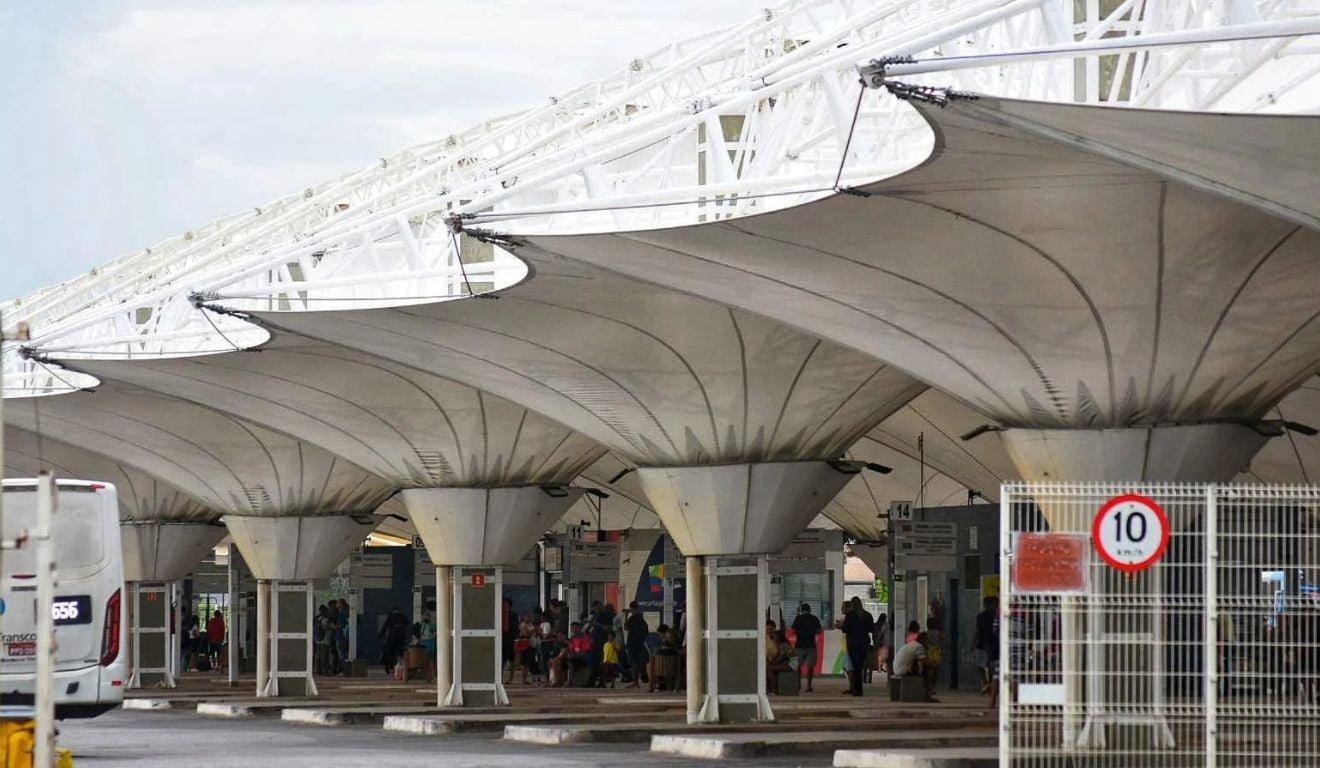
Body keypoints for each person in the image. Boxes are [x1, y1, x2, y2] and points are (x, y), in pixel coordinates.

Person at [841, 596, 874, 696]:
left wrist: (841, 626)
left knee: (856, 667)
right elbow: (871, 629)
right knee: (860, 666)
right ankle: (858, 689)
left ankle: (857, 689)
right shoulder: (868, 615)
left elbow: (845, 629)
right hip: (864, 643)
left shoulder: (850, 615)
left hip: (853, 643)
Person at [790, 603, 822, 692]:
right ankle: (809, 685)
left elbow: (793, 630)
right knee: (810, 666)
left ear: (801, 610)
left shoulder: (798, 618)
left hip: (799, 645)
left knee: (798, 666)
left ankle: (798, 684)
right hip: (811, 645)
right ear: (809, 610)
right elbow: (819, 631)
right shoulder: (814, 618)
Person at [973, 597, 999, 695]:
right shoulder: (996, 616)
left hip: (982, 643)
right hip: (993, 644)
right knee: (991, 666)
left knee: (980, 666)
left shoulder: (980, 616)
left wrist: (973, 643)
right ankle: (990, 685)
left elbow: (977, 631)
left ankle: (986, 683)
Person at [625, 601, 650, 689]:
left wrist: (626, 616)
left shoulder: (632, 618)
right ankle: (642, 672)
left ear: (632, 609)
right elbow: (646, 631)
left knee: (633, 663)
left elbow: (626, 627)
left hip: (632, 643)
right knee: (638, 661)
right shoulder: (641, 619)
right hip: (639, 643)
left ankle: (635, 681)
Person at [379, 607, 410, 674]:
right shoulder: (403, 617)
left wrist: (381, 636)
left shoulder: (390, 617)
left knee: (391, 653)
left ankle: (391, 667)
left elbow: (384, 627)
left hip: (392, 637)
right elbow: (408, 626)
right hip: (401, 637)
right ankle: (400, 667)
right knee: (400, 653)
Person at [766, 629, 794, 694]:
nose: (772, 638)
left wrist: (771, 664)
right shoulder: (779, 645)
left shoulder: (784, 645)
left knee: (770, 669)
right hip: (786, 663)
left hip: (791, 665)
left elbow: (779, 658)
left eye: (774, 636)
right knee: (770, 668)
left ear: (778, 637)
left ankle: (774, 689)